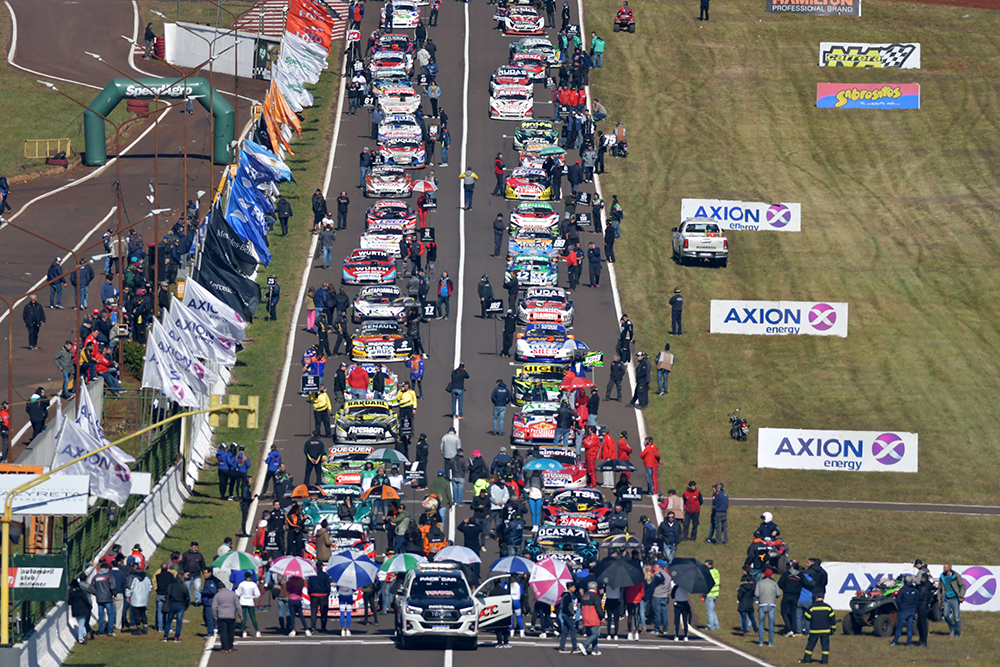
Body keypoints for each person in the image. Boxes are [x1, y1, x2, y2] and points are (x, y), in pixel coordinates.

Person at [800, 596, 836, 664]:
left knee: (810, 645)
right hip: (825, 631)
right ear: (823, 598)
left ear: (816, 597)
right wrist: (833, 628)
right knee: (825, 646)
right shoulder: (828, 607)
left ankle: (806, 659)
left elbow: (807, 617)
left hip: (814, 630)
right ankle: (824, 661)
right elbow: (832, 619)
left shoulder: (812, 607)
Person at [212, 580, 240, 652]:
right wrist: (240, 615)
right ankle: (230, 646)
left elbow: (214, 607)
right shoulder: (232, 594)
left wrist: (215, 616)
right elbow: (238, 605)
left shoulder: (217, 595)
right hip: (231, 615)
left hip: (221, 616)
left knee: (223, 632)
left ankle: (225, 647)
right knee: (231, 632)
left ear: (218, 589)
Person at [938, 563, 965, 638]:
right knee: (946, 615)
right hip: (946, 599)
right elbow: (940, 588)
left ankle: (957, 634)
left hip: (954, 598)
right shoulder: (942, 576)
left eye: (945, 567)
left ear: (949, 568)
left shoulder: (956, 576)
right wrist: (939, 598)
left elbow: (962, 586)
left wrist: (961, 596)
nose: (943, 569)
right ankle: (952, 628)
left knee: (956, 617)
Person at [755, 569, 780, 646]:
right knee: (771, 623)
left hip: (762, 604)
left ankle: (761, 641)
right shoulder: (774, 583)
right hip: (771, 604)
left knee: (761, 623)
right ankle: (770, 642)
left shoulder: (760, 583)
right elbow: (778, 593)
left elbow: (756, 594)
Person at [163, 572, 191, 641]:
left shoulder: (171, 585)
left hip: (172, 605)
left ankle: (165, 636)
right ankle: (176, 637)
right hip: (180, 605)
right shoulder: (183, 587)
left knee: (168, 621)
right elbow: (187, 598)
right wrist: (186, 606)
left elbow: (167, 595)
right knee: (179, 622)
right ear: (182, 579)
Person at [779, 561, 804, 636]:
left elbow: (779, 583)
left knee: (783, 612)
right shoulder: (800, 575)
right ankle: (794, 630)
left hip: (787, 595)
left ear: (792, 567)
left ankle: (789, 628)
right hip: (795, 596)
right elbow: (806, 583)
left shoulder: (786, 573)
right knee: (793, 613)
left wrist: (785, 588)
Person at [581, 580, 604, 655]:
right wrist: (602, 617)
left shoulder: (585, 596)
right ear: (594, 588)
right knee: (596, 634)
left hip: (585, 617)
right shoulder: (595, 596)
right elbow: (598, 607)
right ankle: (584, 645)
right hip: (593, 617)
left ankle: (595, 649)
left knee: (592, 634)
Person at [558, 581, 580, 653]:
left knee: (565, 631)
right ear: (570, 587)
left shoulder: (565, 594)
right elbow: (565, 607)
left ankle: (562, 647)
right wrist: (570, 614)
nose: (575, 588)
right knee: (573, 630)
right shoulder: (567, 595)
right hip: (567, 615)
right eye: (574, 587)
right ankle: (574, 648)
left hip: (565, 615)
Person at [309, 567, 332, 633]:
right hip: (323, 595)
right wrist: (328, 593)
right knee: (324, 612)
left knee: (313, 612)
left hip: (314, 594)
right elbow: (328, 586)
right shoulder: (325, 575)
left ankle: (313, 627)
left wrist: (310, 592)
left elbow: (309, 585)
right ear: (322, 566)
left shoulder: (312, 575)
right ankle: (323, 627)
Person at [650, 561, 671, 635]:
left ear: (660, 568)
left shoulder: (658, 576)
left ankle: (656, 629)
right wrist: (667, 593)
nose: (654, 569)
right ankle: (665, 629)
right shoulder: (668, 576)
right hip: (664, 596)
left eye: (656, 568)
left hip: (657, 596)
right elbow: (669, 587)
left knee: (657, 613)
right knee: (664, 613)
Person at [737, 565, 759, 636]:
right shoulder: (752, 581)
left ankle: (745, 631)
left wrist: (739, 594)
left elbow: (740, 595)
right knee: (752, 618)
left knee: (743, 618)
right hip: (750, 602)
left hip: (743, 602)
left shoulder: (743, 586)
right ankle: (756, 631)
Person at [915, 571, 934, 646]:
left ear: (923, 579)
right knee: (921, 624)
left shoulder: (924, 588)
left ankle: (923, 641)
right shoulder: (929, 586)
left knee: (922, 625)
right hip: (926, 607)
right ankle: (922, 641)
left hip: (922, 607)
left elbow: (918, 597)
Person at [704, 560, 721, 631]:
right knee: (712, 610)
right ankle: (716, 625)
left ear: (710, 565)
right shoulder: (716, 571)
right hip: (716, 593)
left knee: (709, 610)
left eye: (706, 565)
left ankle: (710, 626)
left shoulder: (708, 573)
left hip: (710, 593)